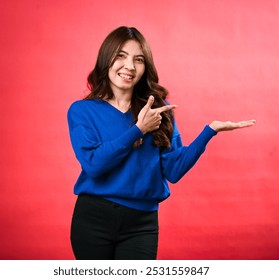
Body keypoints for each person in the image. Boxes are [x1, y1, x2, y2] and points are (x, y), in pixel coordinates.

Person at [67, 26, 255, 260]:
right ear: (106, 60)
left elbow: (173, 171)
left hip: (141, 223)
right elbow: (93, 164)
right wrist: (138, 130)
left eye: (139, 60)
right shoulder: (82, 110)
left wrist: (209, 132)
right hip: (93, 219)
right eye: (121, 56)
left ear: (145, 68)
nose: (130, 66)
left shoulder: (158, 110)